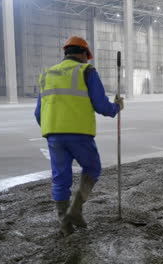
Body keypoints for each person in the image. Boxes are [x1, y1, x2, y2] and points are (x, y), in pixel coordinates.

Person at [34, 36, 124, 236]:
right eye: (87, 57)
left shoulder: (47, 74)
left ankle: (64, 223)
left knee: (60, 179)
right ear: (84, 54)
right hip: (79, 134)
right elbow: (102, 106)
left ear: (65, 53)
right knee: (92, 168)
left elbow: (38, 113)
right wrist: (116, 107)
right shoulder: (87, 71)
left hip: (53, 135)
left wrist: (53, 130)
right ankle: (75, 210)